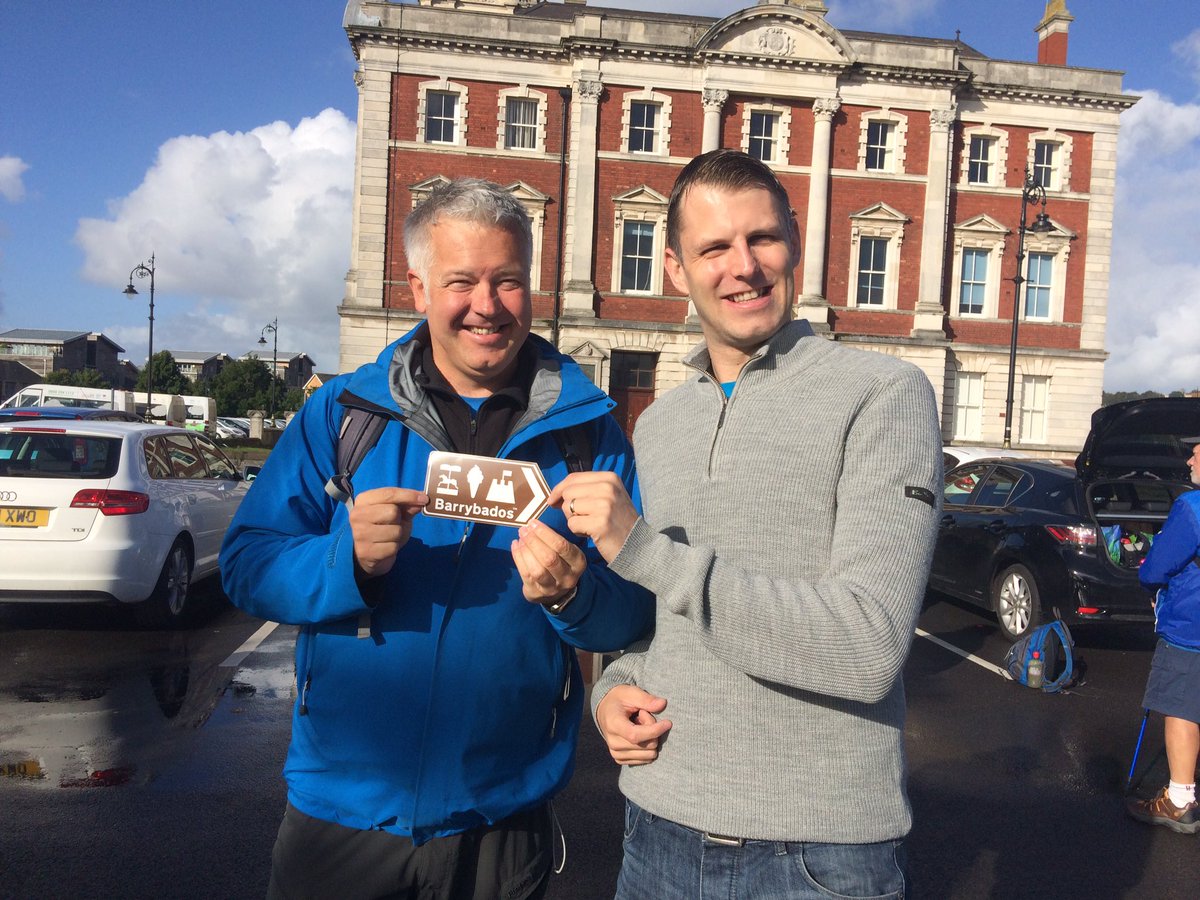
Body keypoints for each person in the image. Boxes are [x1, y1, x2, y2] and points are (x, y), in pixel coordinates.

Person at [219, 178, 653, 900]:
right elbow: (247, 563)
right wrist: (344, 559)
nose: (486, 306)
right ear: (419, 287)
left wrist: (576, 595)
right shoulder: (343, 415)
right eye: (462, 281)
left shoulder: (589, 434)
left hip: (503, 818)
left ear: (533, 287)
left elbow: (634, 612)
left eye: (508, 281)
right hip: (342, 817)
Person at [549, 149, 943, 899]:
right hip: (657, 827)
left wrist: (643, 549)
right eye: (714, 248)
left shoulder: (884, 395)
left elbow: (866, 647)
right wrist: (611, 693)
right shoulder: (660, 423)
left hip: (818, 855)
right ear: (675, 268)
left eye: (762, 238)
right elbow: (658, 623)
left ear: (795, 240)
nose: (745, 267)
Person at [1126, 436, 1200, 834]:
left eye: (1196, 451)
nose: (1189, 458)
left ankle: (1179, 800)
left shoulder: (1192, 508)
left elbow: (1154, 569)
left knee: (1183, 709)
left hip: (1192, 628)